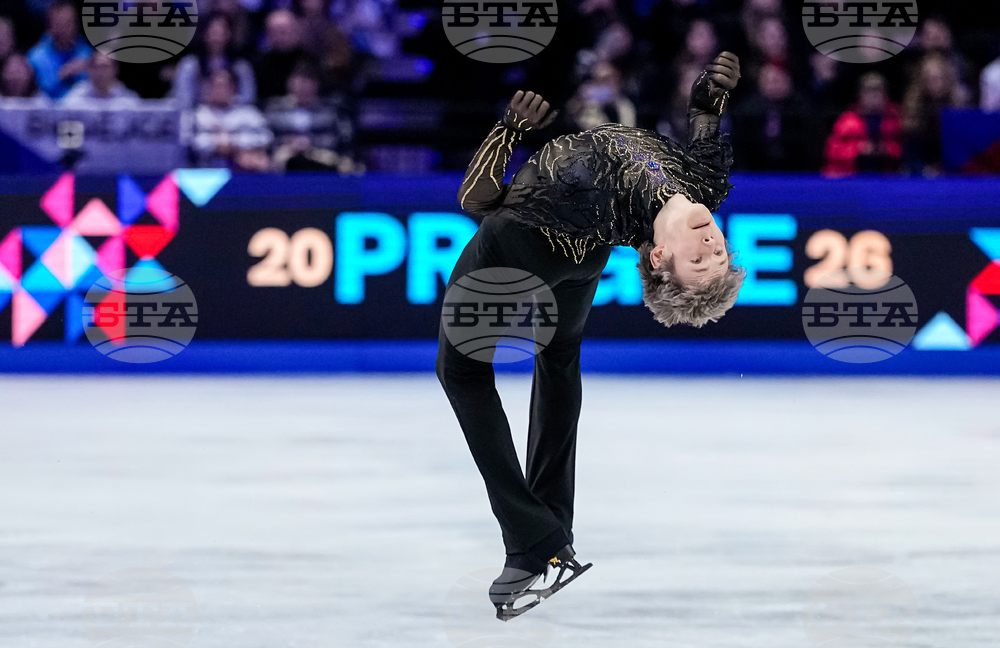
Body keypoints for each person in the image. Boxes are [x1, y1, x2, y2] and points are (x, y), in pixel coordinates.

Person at [436, 52, 745, 621]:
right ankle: (554, 534)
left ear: (659, 257)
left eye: (699, 261)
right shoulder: (705, 183)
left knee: (461, 372)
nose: (712, 246)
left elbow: (475, 203)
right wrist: (710, 95)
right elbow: (704, 116)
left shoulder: (577, 193)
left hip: (523, 247)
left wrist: (507, 131)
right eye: (719, 253)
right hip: (582, 259)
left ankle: (532, 538)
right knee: (559, 355)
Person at [265, 61, 360, 173]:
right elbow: (268, 140)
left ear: (316, 84)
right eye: (298, 80)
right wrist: (290, 146)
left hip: (322, 163)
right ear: (289, 82)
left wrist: (309, 146)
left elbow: (338, 143)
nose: (302, 86)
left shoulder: (330, 113)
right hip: (282, 163)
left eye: (307, 81)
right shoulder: (275, 110)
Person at [189, 68, 273, 172]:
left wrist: (237, 145)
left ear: (233, 88)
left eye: (225, 86)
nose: (220, 90)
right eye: (217, 86)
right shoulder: (197, 115)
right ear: (208, 88)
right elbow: (192, 142)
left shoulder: (248, 113)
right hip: (205, 169)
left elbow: (266, 137)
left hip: (244, 165)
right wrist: (217, 145)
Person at [171, 12, 256, 109]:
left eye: (222, 34)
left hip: (233, 116)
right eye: (214, 33)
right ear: (204, 34)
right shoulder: (190, 65)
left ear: (229, 35)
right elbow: (183, 99)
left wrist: (226, 100)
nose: (217, 39)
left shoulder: (240, 66)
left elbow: (248, 98)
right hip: (198, 114)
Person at [823, 72, 902, 177]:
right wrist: (858, 149)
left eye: (878, 91)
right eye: (869, 91)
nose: (874, 96)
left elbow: (907, 148)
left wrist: (887, 149)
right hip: (851, 176)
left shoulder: (897, 118)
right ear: (860, 94)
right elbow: (832, 152)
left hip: (889, 176)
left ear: (885, 95)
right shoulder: (847, 120)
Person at [27, 0, 92, 99]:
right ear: (49, 26)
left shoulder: (87, 53)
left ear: (76, 24)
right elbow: (31, 92)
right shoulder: (35, 57)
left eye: (68, 23)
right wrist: (61, 76)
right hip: (47, 111)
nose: (64, 29)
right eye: (59, 24)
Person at [253, 10, 315, 103]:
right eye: (273, 32)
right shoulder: (259, 64)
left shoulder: (310, 60)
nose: (279, 38)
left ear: (295, 31)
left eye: (283, 32)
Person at [62, 52, 140, 104]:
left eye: (105, 67)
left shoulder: (127, 99)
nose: (100, 72)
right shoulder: (76, 96)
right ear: (89, 69)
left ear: (115, 69)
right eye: (96, 67)